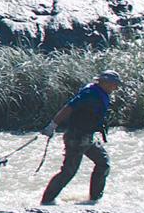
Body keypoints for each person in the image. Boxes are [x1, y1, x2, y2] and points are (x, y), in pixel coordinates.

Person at [39, 70, 122, 205]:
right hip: (76, 138)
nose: (116, 87)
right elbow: (68, 108)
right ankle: (47, 201)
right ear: (104, 82)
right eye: (114, 84)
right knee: (68, 171)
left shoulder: (98, 93)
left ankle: (94, 200)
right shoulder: (89, 95)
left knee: (103, 163)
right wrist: (52, 126)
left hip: (87, 137)